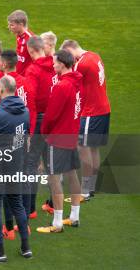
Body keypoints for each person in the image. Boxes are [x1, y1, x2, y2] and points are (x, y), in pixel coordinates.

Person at [0, 76, 32, 262]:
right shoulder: (25, 112)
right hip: (16, 163)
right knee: (16, 203)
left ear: (1, 91)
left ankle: (0, 252)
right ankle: (26, 248)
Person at [37, 50, 83, 233]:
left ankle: (56, 223)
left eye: (55, 62)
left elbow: (50, 117)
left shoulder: (62, 86)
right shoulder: (78, 82)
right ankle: (74, 216)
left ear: (63, 64)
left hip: (58, 138)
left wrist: (43, 134)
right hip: (72, 134)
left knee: (54, 179)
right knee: (72, 174)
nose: (52, 65)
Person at [61, 40, 111, 200]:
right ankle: (91, 187)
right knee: (93, 148)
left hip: (91, 111)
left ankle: (85, 190)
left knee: (83, 146)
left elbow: (69, 81)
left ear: (70, 50)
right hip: (103, 108)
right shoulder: (94, 55)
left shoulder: (81, 64)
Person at [24, 36, 58, 218]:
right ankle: (53, 204)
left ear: (30, 51)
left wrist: (29, 131)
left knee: (31, 163)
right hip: (54, 120)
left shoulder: (33, 70)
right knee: (51, 163)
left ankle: (30, 209)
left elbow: (31, 102)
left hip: (38, 121)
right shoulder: (55, 66)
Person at [7, 10, 35, 75]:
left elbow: (38, 61)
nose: (9, 27)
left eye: (12, 25)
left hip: (27, 78)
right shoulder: (19, 36)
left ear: (20, 25)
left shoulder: (31, 39)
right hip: (19, 76)